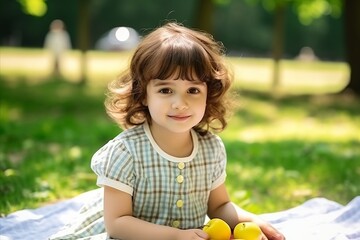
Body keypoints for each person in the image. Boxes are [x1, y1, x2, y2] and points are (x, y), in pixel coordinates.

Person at [50, 22, 285, 240]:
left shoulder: (211, 148)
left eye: (193, 90)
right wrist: (176, 236)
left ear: (208, 94)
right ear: (143, 93)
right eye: (165, 91)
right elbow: (117, 224)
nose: (179, 103)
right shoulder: (126, 152)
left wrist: (254, 223)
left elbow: (219, 206)